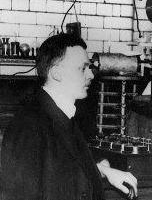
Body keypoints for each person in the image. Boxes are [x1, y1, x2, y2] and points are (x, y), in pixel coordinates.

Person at [0, 33, 137, 200]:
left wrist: (103, 170)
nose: (91, 75)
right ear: (56, 73)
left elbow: (62, 165)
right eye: (82, 68)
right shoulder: (29, 125)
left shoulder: (63, 115)